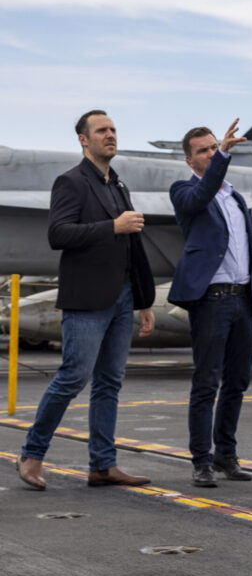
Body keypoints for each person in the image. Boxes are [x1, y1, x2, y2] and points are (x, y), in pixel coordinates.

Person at [15, 109, 156, 490]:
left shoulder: (118, 187)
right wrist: (112, 226)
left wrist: (144, 300)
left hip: (123, 297)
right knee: (72, 377)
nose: (110, 135)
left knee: (110, 382)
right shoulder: (71, 182)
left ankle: (102, 465)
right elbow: (58, 234)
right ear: (83, 139)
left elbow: (133, 250)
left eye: (113, 129)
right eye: (101, 130)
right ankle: (31, 454)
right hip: (88, 299)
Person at [167, 120, 252, 488]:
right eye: (204, 151)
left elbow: (250, 252)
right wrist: (224, 156)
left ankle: (226, 454)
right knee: (206, 382)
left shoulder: (235, 197)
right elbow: (199, 196)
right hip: (211, 300)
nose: (211, 154)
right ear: (189, 160)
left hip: (242, 301)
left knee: (238, 382)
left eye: (214, 148)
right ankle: (201, 461)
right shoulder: (184, 191)